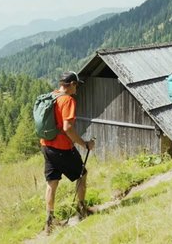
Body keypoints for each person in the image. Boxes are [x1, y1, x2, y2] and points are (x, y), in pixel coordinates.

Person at [40, 71, 95, 234]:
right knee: (81, 175)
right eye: (76, 85)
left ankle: (49, 222)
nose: (76, 88)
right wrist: (84, 143)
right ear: (70, 84)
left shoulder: (52, 96)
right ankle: (82, 210)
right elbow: (67, 128)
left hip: (46, 146)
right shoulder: (68, 100)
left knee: (51, 184)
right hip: (62, 148)